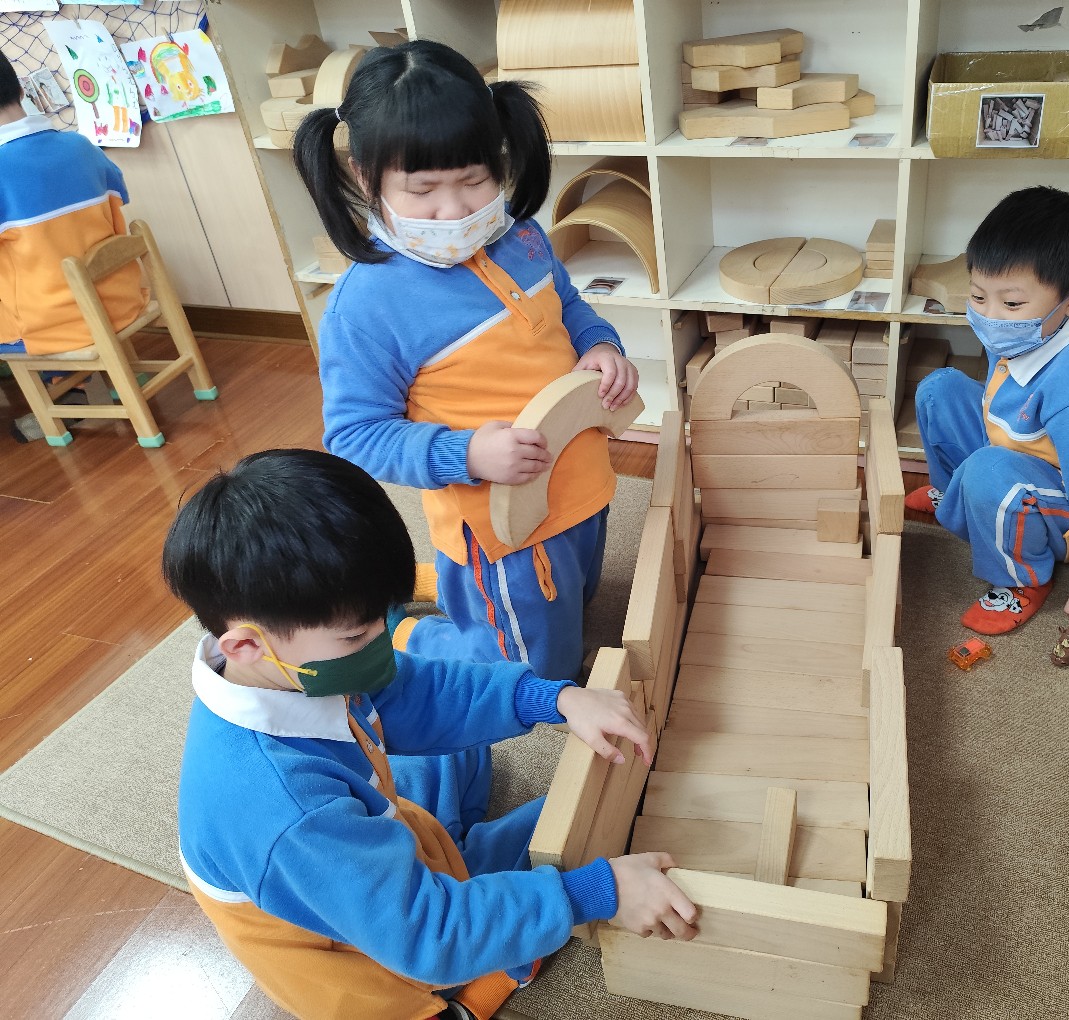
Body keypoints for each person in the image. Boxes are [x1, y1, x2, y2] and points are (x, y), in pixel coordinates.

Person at [164, 448, 696, 1020]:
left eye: (383, 620)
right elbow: (427, 935)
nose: (380, 643)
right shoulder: (287, 811)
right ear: (246, 644)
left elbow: (417, 691)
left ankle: (486, 882)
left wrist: (554, 699)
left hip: (366, 849)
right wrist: (597, 893)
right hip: (363, 954)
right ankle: (472, 991)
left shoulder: (291, 668)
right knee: (577, 851)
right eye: (355, 637)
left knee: (468, 754)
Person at [292, 40, 637, 688]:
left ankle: (454, 593)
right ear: (366, 178)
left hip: (582, 483)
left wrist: (601, 345)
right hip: (500, 526)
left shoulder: (521, 236)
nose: (454, 211)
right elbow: (355, 435)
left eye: (474, 181)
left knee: (577, 601)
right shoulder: (367, 304)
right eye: (422, 190)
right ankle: (410, 634)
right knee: (533, 670)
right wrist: (467, 453)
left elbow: (567, 305)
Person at [904, 186, 1069, 641]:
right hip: (1021, 456)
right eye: (978, 296)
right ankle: (952, 495)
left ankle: (1022, 579)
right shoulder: (1036, 328)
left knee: (988, 469)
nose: (990, 316)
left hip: (1066, 511)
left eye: (1011, 304)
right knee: (940, 389)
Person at [0, 50, 146, 359]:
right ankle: (73, 376)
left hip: (55, 325)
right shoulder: (80, 145)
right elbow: (119, 200)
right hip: (123, 300)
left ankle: (61, 376)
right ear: (22, 90)